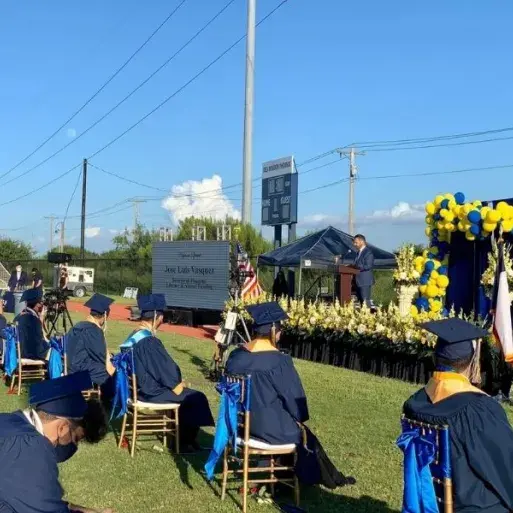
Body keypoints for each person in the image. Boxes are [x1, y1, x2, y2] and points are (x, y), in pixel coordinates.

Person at [222, 302, 355, 488]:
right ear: (273, 329)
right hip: (268, 429)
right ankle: (329, 479)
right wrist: (300, 417)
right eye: (279, 329)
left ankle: (269, 478)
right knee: (303, 434)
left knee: (292, 427)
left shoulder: (236, 357)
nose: (280, 333)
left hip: (238, 424)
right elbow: (294, 398)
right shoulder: (278, 361)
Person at [401, 318, 513, 513]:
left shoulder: (414, 403)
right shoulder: (478, 410)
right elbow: (505, 466)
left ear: (436, 358)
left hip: (433, 501)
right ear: (471, 362)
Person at [0, 371, 113, 513]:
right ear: (63, 428)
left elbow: (42, 501)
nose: (74, 446)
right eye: (75, 439)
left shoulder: (9, 421)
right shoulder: (31, 451)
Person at [119, 294, 214, 451]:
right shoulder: (148, 341)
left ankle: (182, 438)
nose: (162, 320)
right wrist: (177, 382)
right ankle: (183, 442)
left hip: (137, 389)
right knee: (195, 397)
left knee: (189, 395)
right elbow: (165, 370)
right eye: (162, 316)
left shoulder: (133, 336)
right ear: (157, 316)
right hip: (150, 392)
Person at [65, 294, 116, 401]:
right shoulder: (93, 330)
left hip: (69, 366)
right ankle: (109, 400)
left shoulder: (78, 326)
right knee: (113, 372)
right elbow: (100, 356)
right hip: (80, 370)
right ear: (104, 315)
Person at [15, 288, 49, 360]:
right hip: (31, 354)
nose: (42, 305)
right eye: (41, 303)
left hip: (18, 352)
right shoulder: (34, 320)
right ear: (37, 305)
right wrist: (41, 320)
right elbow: (41, 340)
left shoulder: (18, 316)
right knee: (55, 349)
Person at [352, 234, 375, 307]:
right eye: (354, 242)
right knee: (361, 302)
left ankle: (367, 317)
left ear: (362, 242)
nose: (354, 244)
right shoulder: (358, 252)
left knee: (365, 302)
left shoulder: (368, 252)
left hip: (364, 281)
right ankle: (362, 317)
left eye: (356, 242)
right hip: (357, 281)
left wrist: (356, 267)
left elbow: (368, 266)